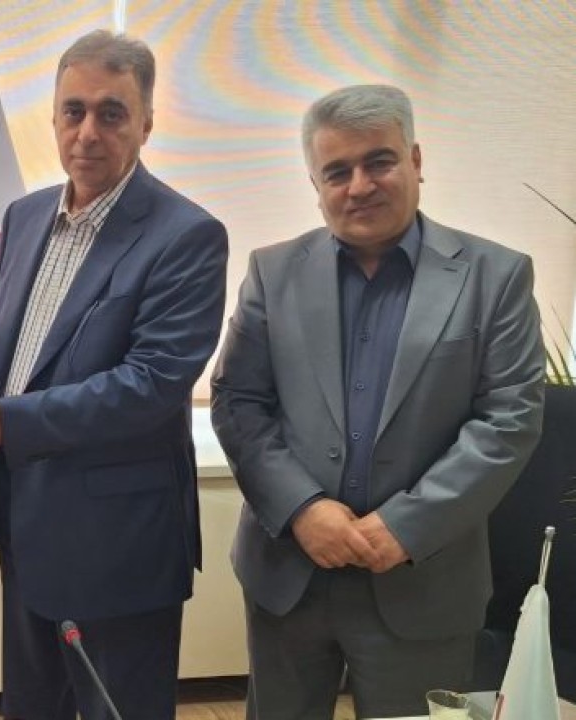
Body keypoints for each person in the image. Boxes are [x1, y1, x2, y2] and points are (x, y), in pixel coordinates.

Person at [210, 83, 545, 719]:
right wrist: (303, 508)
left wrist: (405, 526)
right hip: (289, 576)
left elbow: (509, 420)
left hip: (422, 580)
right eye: (337, 171)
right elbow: (238, 401)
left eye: (379, 162)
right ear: (316, 184)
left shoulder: (495, 277)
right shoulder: (272, 273)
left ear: (415, 160)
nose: (359, 186)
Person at [0, 30, 228, 720]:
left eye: (111, 113)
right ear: (55, 118)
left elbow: (150, 384)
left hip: (118, 543)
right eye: (74, 111)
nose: (88, 132)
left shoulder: (186, 235)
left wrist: (8, 422)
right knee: (32, 706)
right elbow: (28, 339)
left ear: (146, 123)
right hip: (25, 517)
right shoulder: (27, 214)